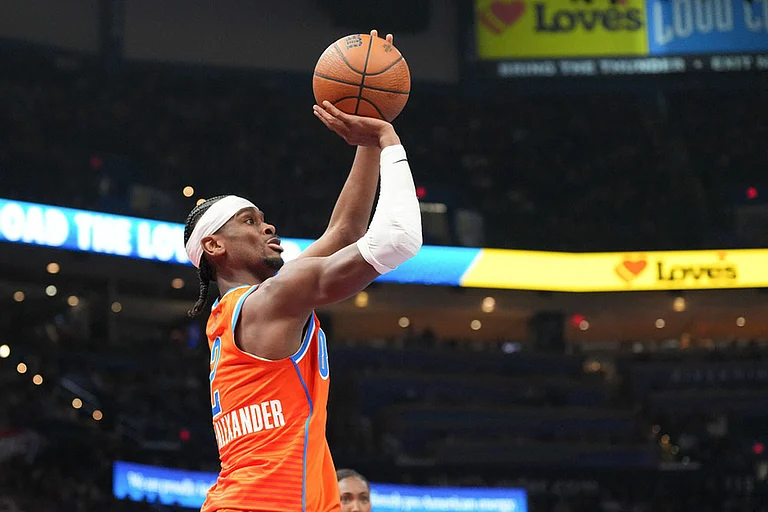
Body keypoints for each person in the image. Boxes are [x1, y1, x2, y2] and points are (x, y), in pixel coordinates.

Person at [182, 30, 422, 512]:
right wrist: (387, 137)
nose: (267, 225)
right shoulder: (272, 299)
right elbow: (397, 238)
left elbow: (346, 230)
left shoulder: (245, 310)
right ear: (214, 245)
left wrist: (366, 138)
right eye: (249, 221)